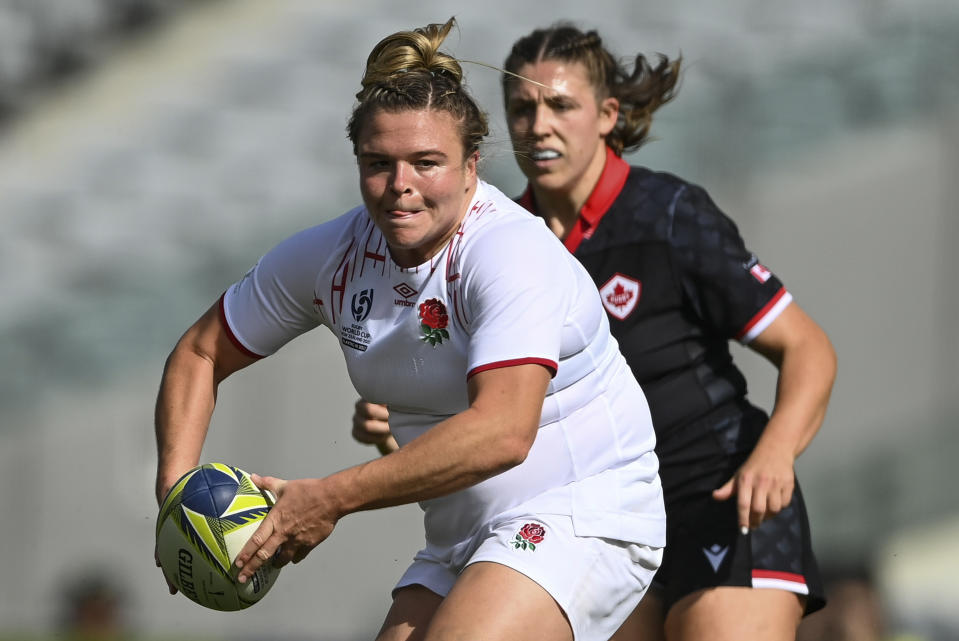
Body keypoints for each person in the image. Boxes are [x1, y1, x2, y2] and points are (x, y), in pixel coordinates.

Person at [154, 18, 666, 641]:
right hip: (462, 537)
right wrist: (178, 503)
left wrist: (330, 497)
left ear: (472, 164)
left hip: (582, 513)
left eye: (427, 163)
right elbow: (201, 352)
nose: (401, 187)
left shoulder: (509, 253)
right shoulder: (331, 257)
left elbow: (502, 432)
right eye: (379, 163)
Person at [352, 22, 838, 641]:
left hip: (719, 503)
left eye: (561, 105)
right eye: (522, 108)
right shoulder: (493, 239)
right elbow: (495, 414)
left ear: (607, 115)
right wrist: (403, 420)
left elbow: (808, 349)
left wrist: (775, 454)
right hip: (587, 520)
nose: (538, 125)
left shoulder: (668, 215)